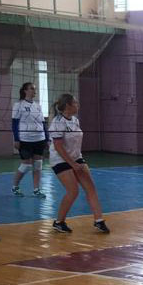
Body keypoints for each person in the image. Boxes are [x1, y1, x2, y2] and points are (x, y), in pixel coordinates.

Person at [48, 94, 109, 234]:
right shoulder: (58, 122)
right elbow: (58, 147)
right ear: (68, 106)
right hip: (60, 159)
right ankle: (59, 222)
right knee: (73, 191)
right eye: (75, 102)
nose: (78, 105)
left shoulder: (75, 120)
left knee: (91, 188)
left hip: (76, 158)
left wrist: (76, 162)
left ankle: (99, 221)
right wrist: (72, 164)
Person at [11, 82, 48, 198]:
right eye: (32, 88)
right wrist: (16, 139)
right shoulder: (18, 105)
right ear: (25, 91)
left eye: (35, 89)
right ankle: (15, 186)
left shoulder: (38, 106)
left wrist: (46, 138)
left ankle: (36, 189)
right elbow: (14, 123)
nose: (34, 90)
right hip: (25, 139)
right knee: (26, 165)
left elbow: (43, 123)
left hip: (39, 138)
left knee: (38, 165)